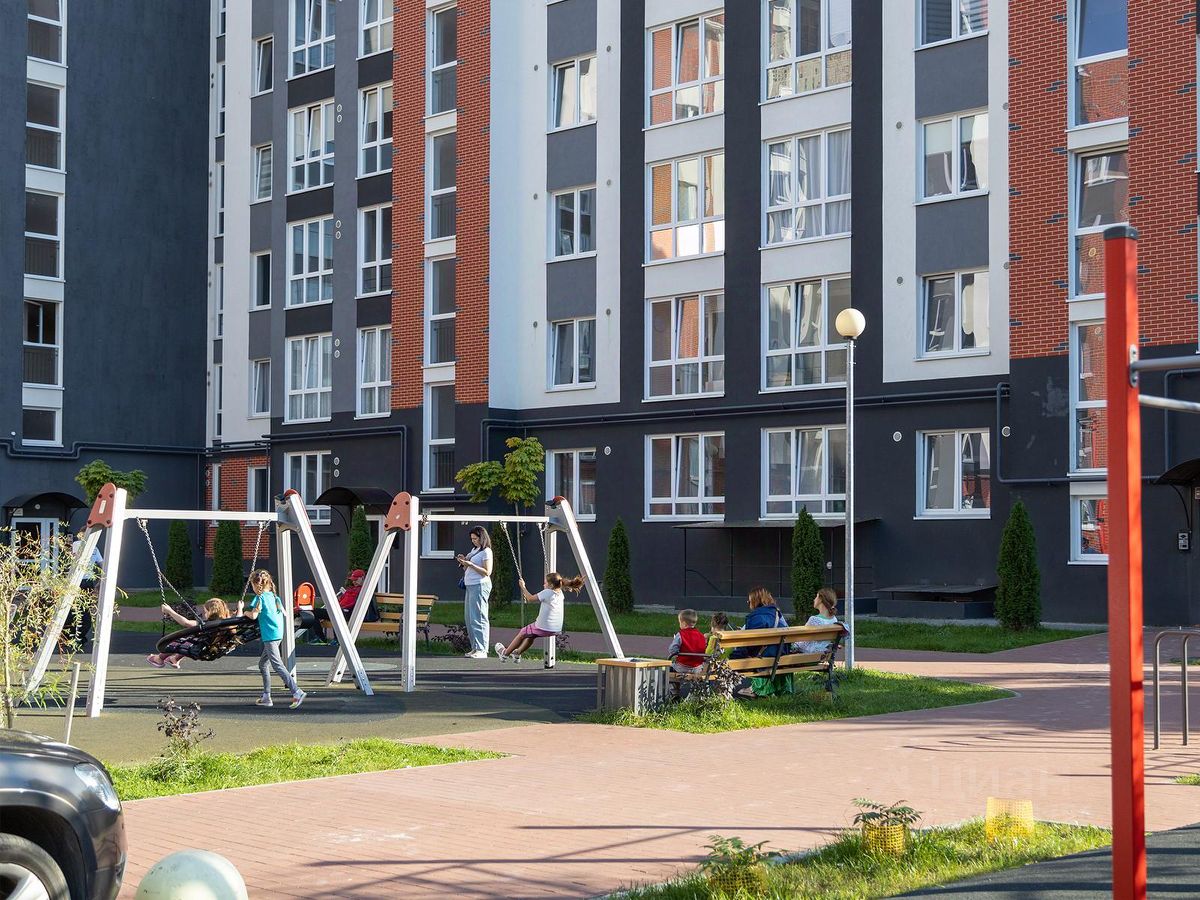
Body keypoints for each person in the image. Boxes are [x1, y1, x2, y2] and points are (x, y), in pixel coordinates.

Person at [240, 570, 306, 709]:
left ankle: (297, 691)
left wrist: (244, 611)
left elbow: (253, 616)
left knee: (277, 665)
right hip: (277, 634)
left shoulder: (260, 598)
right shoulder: (274, 597)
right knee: (263, 664)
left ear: (256, 585)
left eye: (252, 585)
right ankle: (266, 696)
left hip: (270, 636)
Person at [494, 572, 583, 663]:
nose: (543, 585)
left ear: (551, 585)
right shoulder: (560, 593)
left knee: (522, 633)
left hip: (543, 627)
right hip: (556, 629)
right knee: (531, 636)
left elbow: (530, 598)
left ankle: (504, 654)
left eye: (545, 583)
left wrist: (523, 587)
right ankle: (517, 652)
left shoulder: (547, 592)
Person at [732, 587, 791, 699]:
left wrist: (734, 656)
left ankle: (757, 689)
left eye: (749, 601)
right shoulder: (777, 614)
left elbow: (748, 644)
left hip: (765, 656)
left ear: (755, 601)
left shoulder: (756, 617)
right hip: (780, 655)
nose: (748, 604)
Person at [147, 598, 230, 669]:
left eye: (205, 612)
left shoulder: (207, 625)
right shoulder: (230, 625)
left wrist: (169, 611)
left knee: (180, 640)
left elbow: (186, 623)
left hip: (200, 651)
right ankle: (175, 659)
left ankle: (159, 659)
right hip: (216, 651)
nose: (205, 614)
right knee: (194, 638)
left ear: (211, 612)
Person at [457, 527, 493, 659]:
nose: (473, 541)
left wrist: (470, 564)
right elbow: (467, 568)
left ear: (482, 538)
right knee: (470, 618)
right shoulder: (474, 550)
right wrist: (464, 562)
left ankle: (482, 649)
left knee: (478, 617)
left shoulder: (486, 551)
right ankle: (475, 647)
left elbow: (487, 571)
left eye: (476, 539)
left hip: (480, 585)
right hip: (470, 585)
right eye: (472, 539)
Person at [309, 568, 366, 644]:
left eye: (356, 580)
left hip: (350, 612)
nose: (354, 582)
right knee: (313, 612)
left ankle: (337, 640)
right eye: (353, 580)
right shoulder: (350, 589)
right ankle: (320, 638)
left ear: (362, 578)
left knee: (337, 614)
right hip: (339, 610)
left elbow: (355, 604)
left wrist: (340, 608)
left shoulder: (364, 590)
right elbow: (340, 600)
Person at [666, 609, 708, 699]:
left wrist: (677, 651)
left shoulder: (681, 634)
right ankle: (696, 691)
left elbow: (672, 650)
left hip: (682, 666)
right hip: (698, 668)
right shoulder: (701, 635)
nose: (680, 625)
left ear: (684, 623)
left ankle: (674, 692)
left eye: (680, 623)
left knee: (669, 668)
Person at [797, 588, 841, 654]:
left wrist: (793, 645)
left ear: (820, 599)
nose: (814, 599)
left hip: (808, 655)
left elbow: (803, 641)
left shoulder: (814, 620)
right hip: (822, 654)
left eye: (816, 597)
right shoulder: (834, 619)